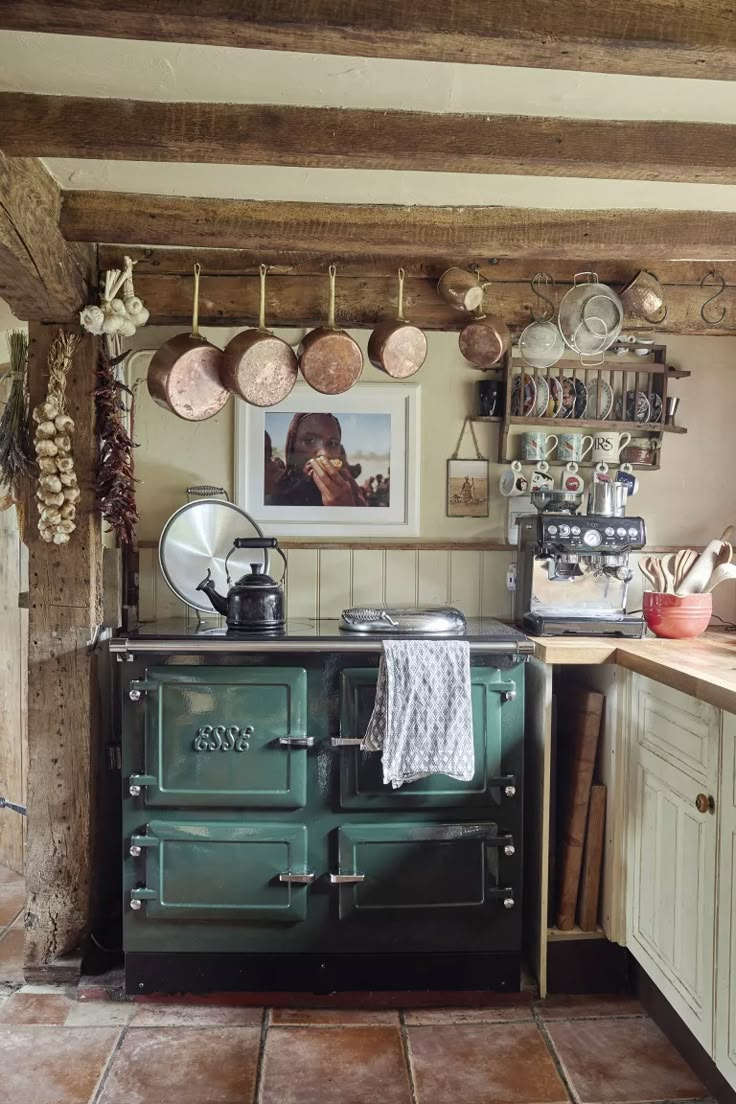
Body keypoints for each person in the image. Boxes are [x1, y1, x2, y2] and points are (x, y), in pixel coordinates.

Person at [265, 413, 367, 507]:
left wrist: (345, 508)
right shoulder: (275, 495)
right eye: (309, 441)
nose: (324, 453)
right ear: (292, 448)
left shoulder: (348, 485)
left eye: (333, 443)